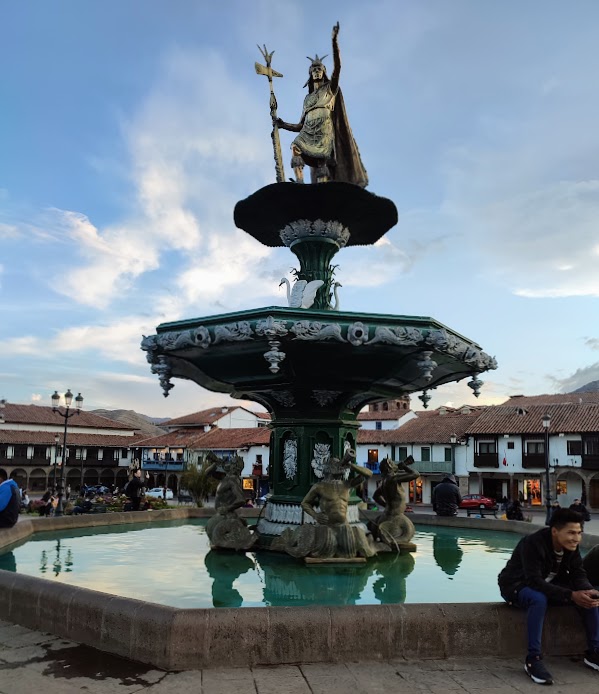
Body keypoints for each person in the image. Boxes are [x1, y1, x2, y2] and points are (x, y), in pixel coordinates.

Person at [498, 508, 599, 684]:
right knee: (538, 599)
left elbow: (578, 573)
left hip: (548, 585)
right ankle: (533, 659)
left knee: (588, 597)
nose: (576, 538)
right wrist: (570, 595)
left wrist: (587, 589)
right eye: (571, 533)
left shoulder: (570, 546)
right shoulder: (532, 543)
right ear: (555, 531)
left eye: (579, 533)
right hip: (517, 586)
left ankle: (594, 652)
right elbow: (534, 581)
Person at [276, 22, 368, 187]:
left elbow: (338, 67)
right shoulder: (308, 99)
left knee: (322, 160)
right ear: (310, 74)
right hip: (309, 130)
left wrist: (334, 41)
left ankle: (325, 187)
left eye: (319, 69)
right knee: (296, 146)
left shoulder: (330, 89)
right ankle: (299, 182)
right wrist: (283, 125)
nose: (316, 71)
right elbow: (299, 126)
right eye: (313, 70)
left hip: (324, 129)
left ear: (324, 72)